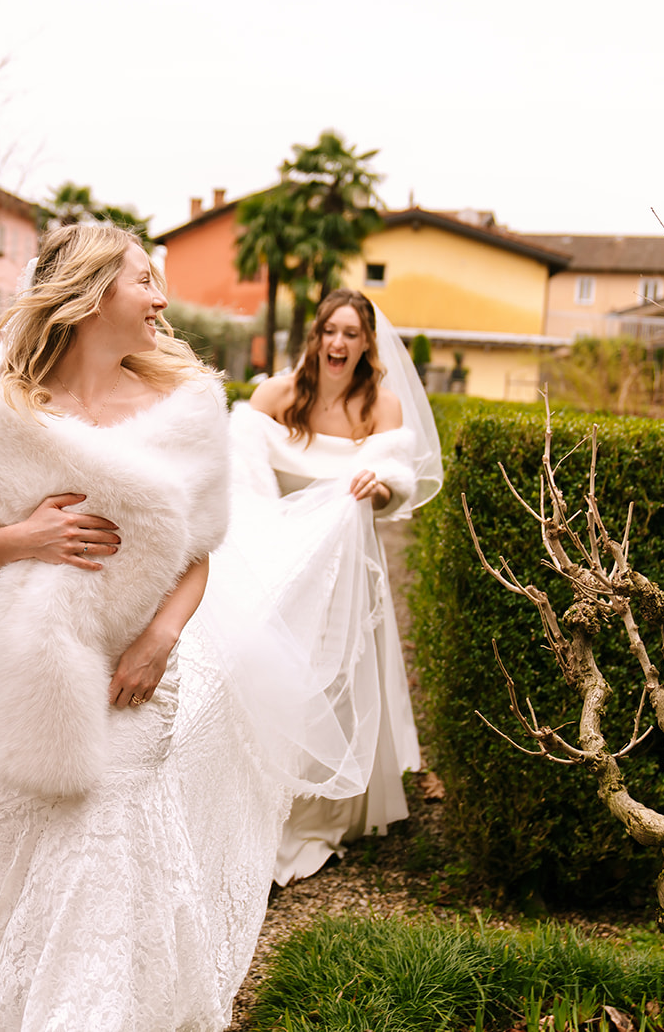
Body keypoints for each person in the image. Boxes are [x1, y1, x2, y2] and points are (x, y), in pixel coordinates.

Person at [0, 223, 286, 1031]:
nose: (161, 299)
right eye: (144, 281)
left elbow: (198, 555)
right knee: (26, 870)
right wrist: (29, 537)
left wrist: (160, 639)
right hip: (16, 670)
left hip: (129, 673)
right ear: (90, 295)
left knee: (108, 857)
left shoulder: (185, 409)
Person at [212, 288, 443, 886]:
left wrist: (379, 487)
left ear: (366, 343)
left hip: (342, 570)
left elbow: (397, 483)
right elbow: (239, 478)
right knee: (269, 674)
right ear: (314, 337)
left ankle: (317, 806)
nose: (338, 343)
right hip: (274, 565)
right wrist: (269, 543)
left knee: (332, 680)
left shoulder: (380, 408)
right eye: (329, 331)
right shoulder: (274, 395)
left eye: (351, 333)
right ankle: (252, 795)